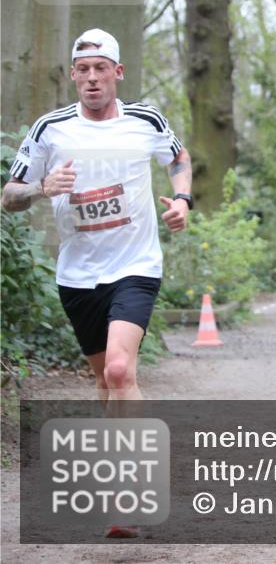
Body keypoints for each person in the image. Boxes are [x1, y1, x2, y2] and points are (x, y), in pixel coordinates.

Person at [2, 29, 192, 536]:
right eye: (82, 70)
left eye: (100, 68)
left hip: (136, 265)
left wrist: (182, 201)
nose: (91, 78)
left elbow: (178, 157)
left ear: (117, 73)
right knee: (105, 381)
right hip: (78, 275)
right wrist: (43, 187)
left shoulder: (145, 120)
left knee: (119, 367)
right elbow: (9, 194)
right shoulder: (50, 130)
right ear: (73, 74)